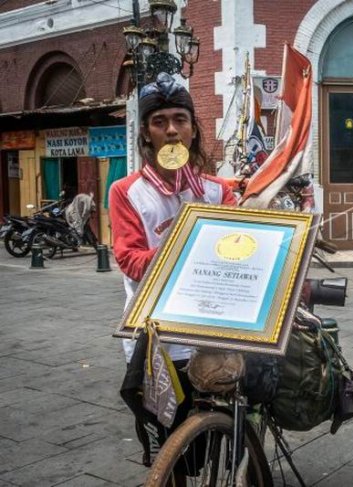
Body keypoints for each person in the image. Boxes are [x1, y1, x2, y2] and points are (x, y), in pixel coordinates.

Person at [109, 72, 237, 465]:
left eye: (180, 119)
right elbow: (130, 260)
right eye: (159, 121)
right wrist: (190, 250)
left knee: (223, 439)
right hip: (159, 339)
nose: (172, 130)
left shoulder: (219, 191)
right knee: (171, 447)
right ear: (147, 134)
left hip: (215, 331)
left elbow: (237, 252)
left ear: (193, 130)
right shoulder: (126, 192)